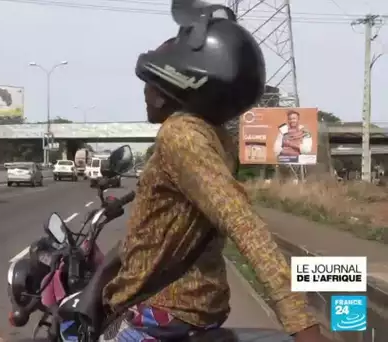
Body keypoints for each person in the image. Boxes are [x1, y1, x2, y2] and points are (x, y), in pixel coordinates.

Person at [100, 4, 328, 342]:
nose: (144, 94)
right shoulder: (216, 137)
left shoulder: (180, 135)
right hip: (196, 309)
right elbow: (167, 230)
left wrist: (301, 323)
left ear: (168, 89)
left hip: (161, 313)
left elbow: (242, 223)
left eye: (149, 83)